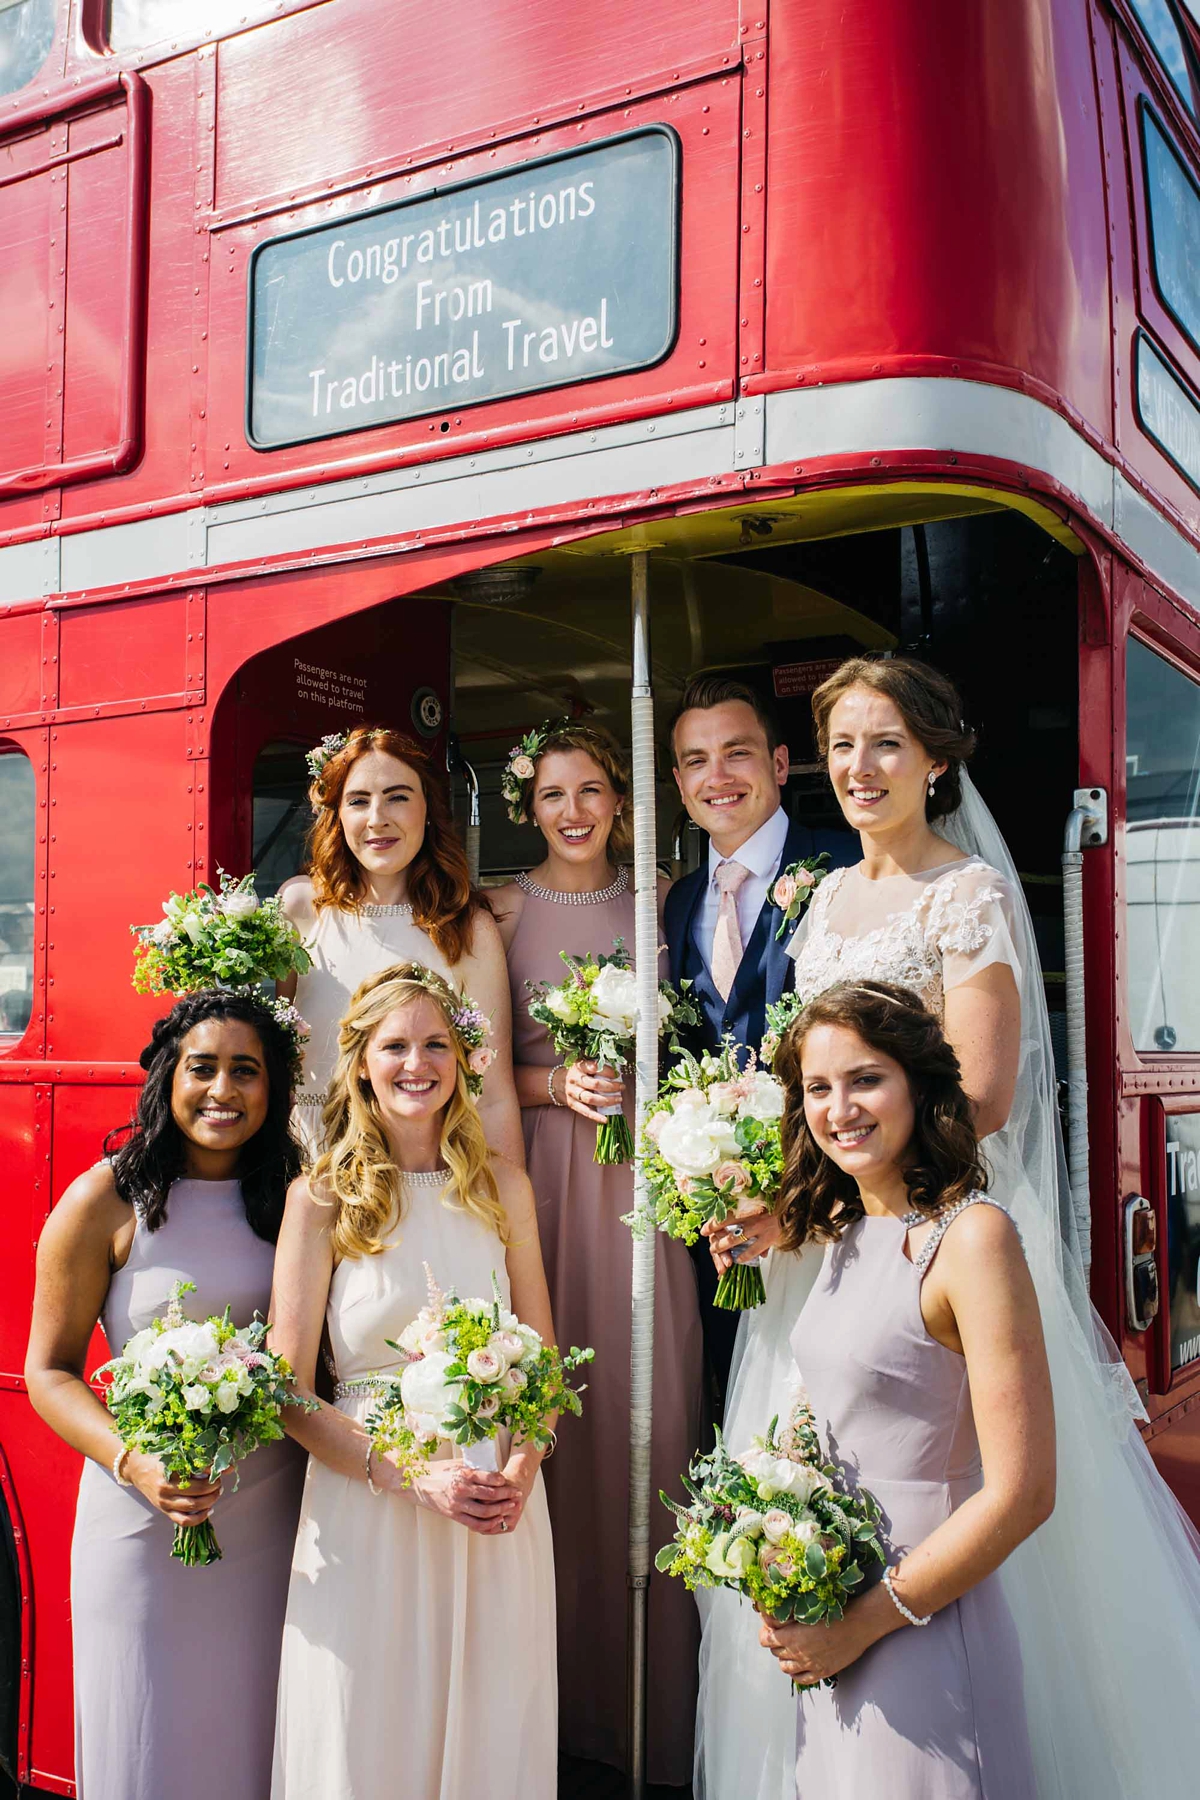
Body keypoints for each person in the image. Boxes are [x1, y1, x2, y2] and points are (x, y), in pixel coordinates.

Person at [702, 654, 1200, 1800]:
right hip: (823, 1243)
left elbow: (978, 1098)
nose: (860, 768)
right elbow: (815, 1078)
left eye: (885, 743)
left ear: (936, 757)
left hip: (918, 1231)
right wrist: (776, 1186)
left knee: (942, 1476)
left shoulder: (965, 892)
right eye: (840, 747)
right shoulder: (822, 896)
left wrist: (830, 1185)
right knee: (808, 1480)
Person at [269, 963, 557, 1800]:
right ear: (360, 1061)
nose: (416, 1064)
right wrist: (406, 1476)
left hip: (495, 1501)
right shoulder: (320, 1198)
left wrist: (523, 1469)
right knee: (371, 1732)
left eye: (436, 1043)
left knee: (493, 1724)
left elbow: (543, 1356)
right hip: (370, 1500)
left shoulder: (503, 1183)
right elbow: (288, 1393)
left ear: (462, 1059)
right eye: (395, 1045)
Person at [764, 979, 1053, 1798]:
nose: (839, 1108)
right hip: (834, 1615)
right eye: (818, 1088)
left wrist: (862, 1626)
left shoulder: (974, 1238)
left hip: (922, 1620)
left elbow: (1025, 1492)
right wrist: (773, 1550)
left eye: (865, 1079)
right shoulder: (851, 1229)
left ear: (919, 1084)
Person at [25, 991, 306, 1800]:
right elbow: (49, 1371)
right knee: (144, 1734)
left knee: (256, 1736)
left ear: (274, 1088)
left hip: (271, 1523)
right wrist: (134, 1460)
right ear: (166, 1079)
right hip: (138, 1520)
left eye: (245, 1071)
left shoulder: (302, 1200)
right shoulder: (102, 1201)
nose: (222, 1089)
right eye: (203, 1068)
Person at [493, 719, 703, 1785]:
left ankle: (654, 1717)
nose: (571, 811)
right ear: (526, 809)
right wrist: (551, 1084)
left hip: (647, 1191)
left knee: (653, 1419)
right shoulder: (502, 911)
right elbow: (481, 1067)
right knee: (554, 1430)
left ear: (621, 799)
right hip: (543, 1184)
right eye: (550, 796)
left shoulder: (667, 901)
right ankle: (562, 1721)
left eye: (589, 791)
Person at [663, 675, 857, 1397]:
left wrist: (804, 1200)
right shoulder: (678, 898)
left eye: (736, 753)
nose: (717, 777)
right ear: (678, 780)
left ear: (779, 764)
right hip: (718, 1233)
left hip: (832, 1213)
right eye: (695, 759)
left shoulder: (846, 867)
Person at [280, 725, 522, 1166]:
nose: (377, 818)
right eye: (358, 801)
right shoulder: (301, 908)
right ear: (337, 814)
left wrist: (509, 1220)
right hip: (311, 1164)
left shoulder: (468, 928)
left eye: (397, 796)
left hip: (425, 1166)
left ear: (427, 809)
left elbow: (494, 1095)